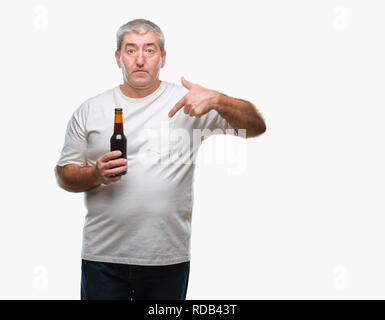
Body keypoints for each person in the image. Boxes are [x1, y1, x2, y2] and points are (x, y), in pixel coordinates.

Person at [55, 18, 266, 300]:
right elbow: (63, 174)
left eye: (149, 50)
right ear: (118, 57)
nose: (140, 59)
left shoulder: (189, 103)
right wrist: (94, 175)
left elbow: (256, 127)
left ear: (163, 57)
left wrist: (218, 99)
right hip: (103, 257)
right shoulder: (91, 109)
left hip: (166, 258)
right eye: (131, 50)